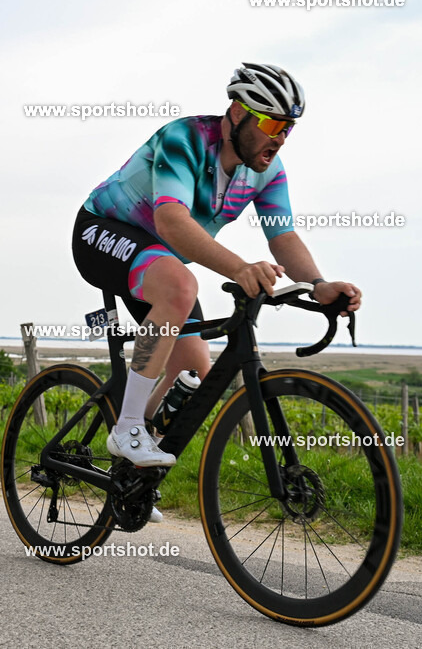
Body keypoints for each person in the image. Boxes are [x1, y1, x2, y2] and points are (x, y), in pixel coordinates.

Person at [72, 62, 361, 477]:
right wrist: (240, 268)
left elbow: (283, 237)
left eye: (288, 128)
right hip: (101, 231)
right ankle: (128, 427)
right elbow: (171, 220)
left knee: (195, 377)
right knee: (180, 284)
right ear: (239, 113)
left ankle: (129, 474)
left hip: (157, 258)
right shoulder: (184, 140)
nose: (280, 138)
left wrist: (318, 284)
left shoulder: (266, 172)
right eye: (272, 123)